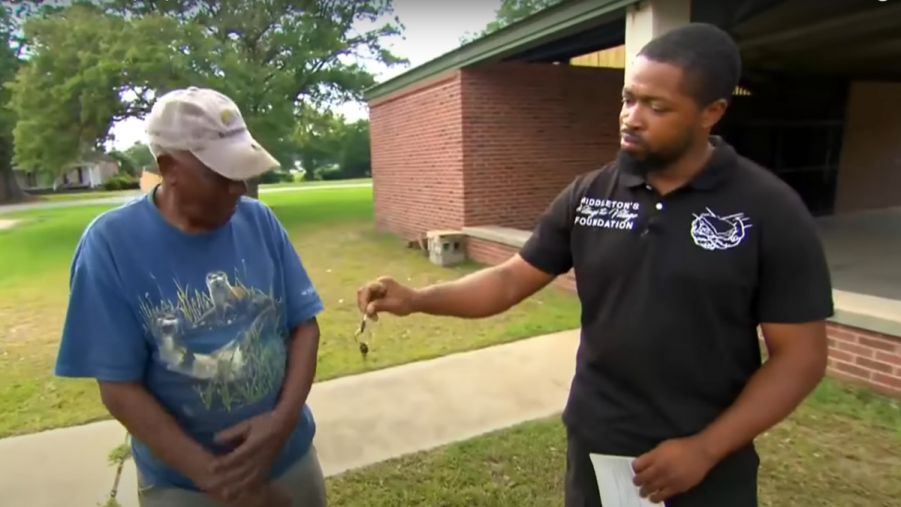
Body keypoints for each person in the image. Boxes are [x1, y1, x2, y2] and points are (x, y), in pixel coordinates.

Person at [357, 23, 833, 507]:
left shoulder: (768, 209)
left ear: (711, 112)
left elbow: (800, 357)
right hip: (599, 445)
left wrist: (705, 449)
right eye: (629, 98)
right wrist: (416, 300)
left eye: (657, 106)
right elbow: (507, 280)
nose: (631, 117)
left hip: (707, 460)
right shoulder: (590, 195)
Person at [55, 87, 327, 507]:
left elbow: (303, 326)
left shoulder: (260, 222)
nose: (240, 187)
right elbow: (119, 387)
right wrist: (223, 482)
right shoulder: (111, 245)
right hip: (184, 487)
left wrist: (281, 422)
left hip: (289, 460)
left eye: (244, 171)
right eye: (222, 174)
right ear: (169, 167)